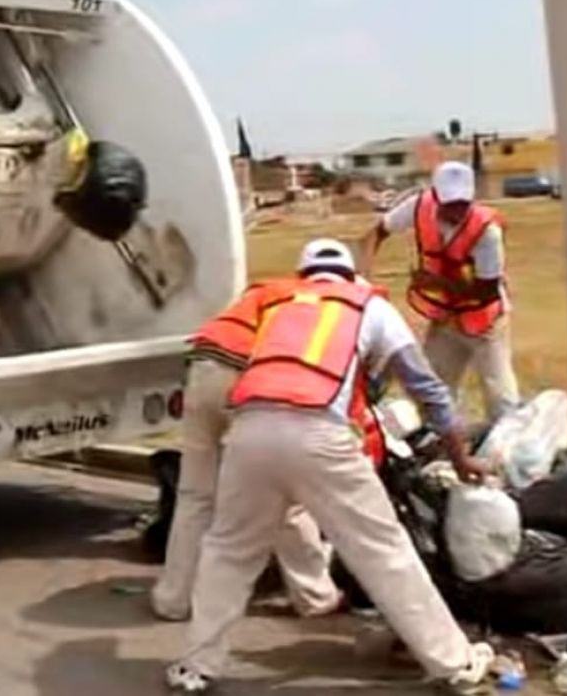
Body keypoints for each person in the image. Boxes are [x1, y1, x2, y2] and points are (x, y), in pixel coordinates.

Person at [167, 238, 494, 695]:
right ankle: (454, 664)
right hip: (318, 431)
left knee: (229, 550)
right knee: (382, 550)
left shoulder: (278, 304)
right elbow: (427, 388)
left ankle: (195, 668)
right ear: (350, 276)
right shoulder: (367, 306)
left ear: (305, 276)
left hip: (250, 429)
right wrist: (460, 455)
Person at [150, 279, 344, 623]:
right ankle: (315, 597)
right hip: (245, 374)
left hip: (202, 365)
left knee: (195, 495)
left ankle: (174, 599)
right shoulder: (326, 309)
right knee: (286, 495)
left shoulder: (267, 290)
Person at [359, 161, 520, 425]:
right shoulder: (418, 207)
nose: (457, 211)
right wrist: (364, 278)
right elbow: (376, 233)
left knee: (500, 396)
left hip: (485, 322)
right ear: (436, 196)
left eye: (463, 203)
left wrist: (436, 283)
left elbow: (487, 292)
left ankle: (508, 448)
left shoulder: (486, 230)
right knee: (433, 391)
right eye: (450, 204)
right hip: (445, 320)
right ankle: (442, 447)